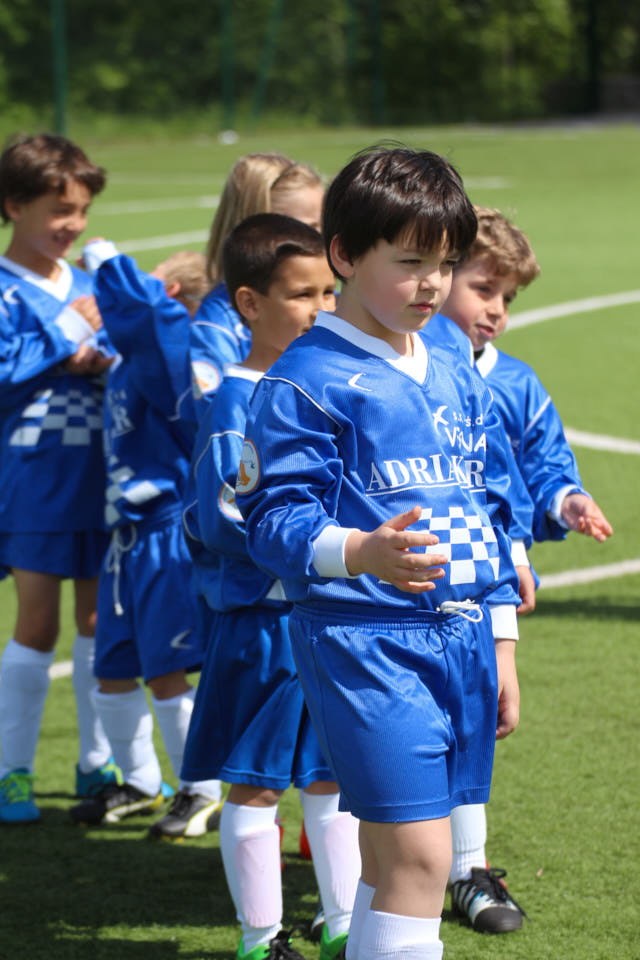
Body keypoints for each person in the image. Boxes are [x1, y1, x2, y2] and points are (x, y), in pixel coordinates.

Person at [236, 147, 522, 960]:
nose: (432, 284)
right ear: (345, 255)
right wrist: (359, 550)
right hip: (365, 645)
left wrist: (501, 638)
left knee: (389, 860)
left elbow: (487, 501)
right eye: (410, 263)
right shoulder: (304, 380)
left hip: (462, 637)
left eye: (446, 264)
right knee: (424, 859)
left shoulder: (454, 360)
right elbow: (270, 524)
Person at [182, 213, 359, 960]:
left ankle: (344, 924)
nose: (322, 308)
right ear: (250, 305)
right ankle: (261, 939)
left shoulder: (316, 385)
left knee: (331, 779)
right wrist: (315, 547)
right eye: (301, 294)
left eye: (329, 291)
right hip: (264, 623)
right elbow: (224, 515)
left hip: (326, 616)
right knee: (256, 784)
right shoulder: (237, 399)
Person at [431, 206, 612, 932]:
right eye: (483, 289)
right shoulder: (400, 370)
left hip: (481, 590)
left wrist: (566, 500)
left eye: (507, 297)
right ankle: (353, 872)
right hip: (397, 582)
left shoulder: (515, 383)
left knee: (472, 720)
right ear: (437, 276)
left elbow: (539, 464)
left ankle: (467, 870)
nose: (497, 311)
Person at [69, 241, 223, 837]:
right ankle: (139, 780)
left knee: (165, 669)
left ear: (169, 296)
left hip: (163, 533)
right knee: (111, 667)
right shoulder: (132, 356)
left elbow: (146, 313)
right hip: (124, 536)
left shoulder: (166, 353)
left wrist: (105, 258)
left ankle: (199, 788)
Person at [0, 133, 116, 825]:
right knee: (37, 624)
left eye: (82, 211)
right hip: (35, 480)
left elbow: (119, 354)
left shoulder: (89, 283)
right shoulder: (6, 289)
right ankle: (11, 771)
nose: (73, 224)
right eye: (59, 210)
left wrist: (103, 359)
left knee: (99, 624)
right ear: (14, 206)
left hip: (101, 478)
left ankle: (95, 762)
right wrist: (62, 338)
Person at [190, 153, 324, 416]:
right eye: (304, 228)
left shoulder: (326, 301)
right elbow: (218, 413)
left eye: (319, 226)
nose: (317, 239)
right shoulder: (218, 322)